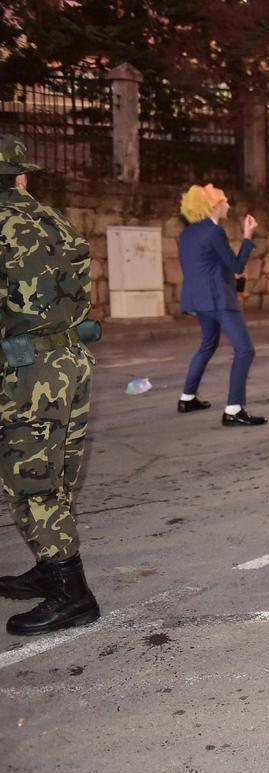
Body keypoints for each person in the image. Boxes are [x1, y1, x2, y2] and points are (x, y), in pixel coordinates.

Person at [0, 135, 101, 635]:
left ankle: (71, 593)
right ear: (21, 177)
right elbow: (83, 278)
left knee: (30, 481)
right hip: (72, 361)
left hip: (26, 372)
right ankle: (49, 565)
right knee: (55, 473)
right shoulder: (53, 219)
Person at [176, 183, 265, 426]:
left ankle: (187, 397)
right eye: (225, 200)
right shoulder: (214, 232)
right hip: (218, 299)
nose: (228, 204)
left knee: (208, 344)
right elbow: (236, 266)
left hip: (198, 299)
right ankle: (234, 409)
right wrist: (248, 236)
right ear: (214, 206)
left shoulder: (188, 233)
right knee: (245, 350)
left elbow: (206, 265)